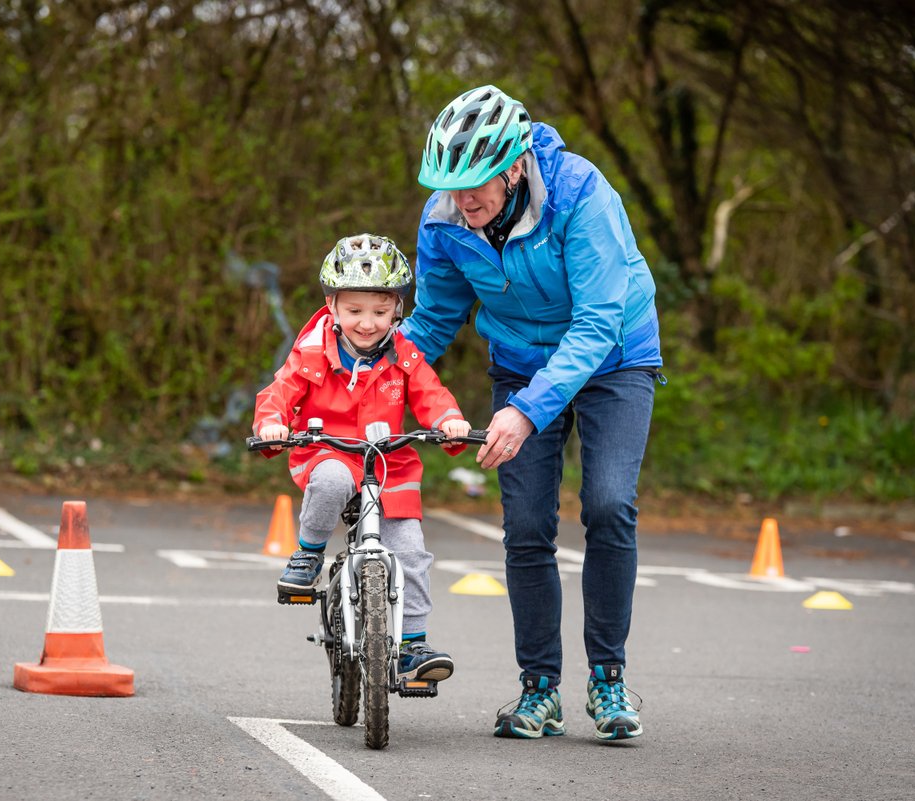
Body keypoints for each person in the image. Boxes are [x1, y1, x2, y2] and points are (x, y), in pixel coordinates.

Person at [401, 85, 664, 741]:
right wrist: (366, 379)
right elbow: (432, 322)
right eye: (451, 185)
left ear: (515, 163)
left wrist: (525, 412)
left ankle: (608, 679)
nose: (464, 200)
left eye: (476, 183)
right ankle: (539, 688)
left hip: (615, 357)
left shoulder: (581, 195)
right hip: (519, 360)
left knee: (607, 502)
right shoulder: (443, 224)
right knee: (524, 524)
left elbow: (598, 321)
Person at [253, 233, 473, 683]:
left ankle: (413, 646)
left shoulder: (404, 356)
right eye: (354, 311)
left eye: (379, 311)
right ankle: (308, 554)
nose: (367, 323)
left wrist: (450, 421)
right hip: (327, 452)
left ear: (397, 309)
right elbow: (279, 394)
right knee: (332, 480)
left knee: (409, 550)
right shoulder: (312, 354)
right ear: (332, 307)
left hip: (389, 463)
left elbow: (431, 395)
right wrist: (273, 424)